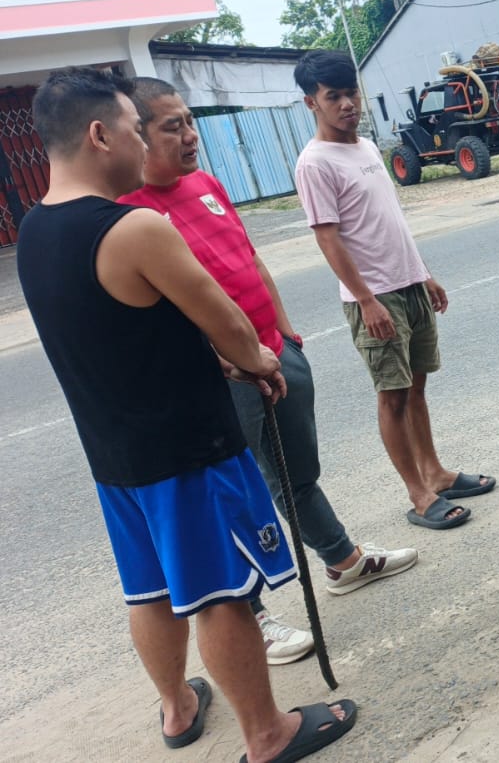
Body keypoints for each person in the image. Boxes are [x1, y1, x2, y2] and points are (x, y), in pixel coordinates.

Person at [17, 68, 356, 761]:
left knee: (151, 589)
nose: (145, 146)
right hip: (186, 449)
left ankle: (177, 707)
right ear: (99, 134)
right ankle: (267, 733)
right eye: (136, 131)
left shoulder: (35, 230)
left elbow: (123, 330)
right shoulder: (134, 226)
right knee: (220, 592)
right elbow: (225, 319)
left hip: (116, 456)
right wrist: (257, 360)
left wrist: (214, 357)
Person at [120, 78, 419, 663]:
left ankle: (342, 561)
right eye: (172, 126)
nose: (190, 135)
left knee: (296, 474)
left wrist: (285, 336)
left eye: (189, 121)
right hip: (222, 378)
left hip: (274, 352)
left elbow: (249, 258)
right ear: (137, 135)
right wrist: (224, 361)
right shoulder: (132, 214)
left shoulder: (206, 184)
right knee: (231, 494)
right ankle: (250, 615)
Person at [293, 50, 494, 530]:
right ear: (311, 103)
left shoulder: (365, 147)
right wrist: (366, 300)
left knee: (417, 386)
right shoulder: (315, 163)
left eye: (352, 93)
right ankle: (419, 494)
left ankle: (436, 473)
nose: (347, 104)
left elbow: (387, 222)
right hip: (375, 298)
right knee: (393, 396)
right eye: (333, 97)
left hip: (409, 285)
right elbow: (328, 238)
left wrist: (423, 273)